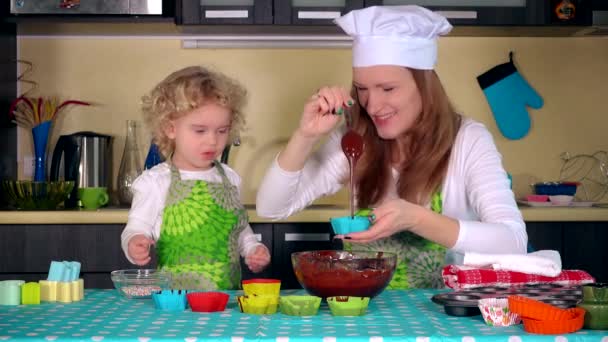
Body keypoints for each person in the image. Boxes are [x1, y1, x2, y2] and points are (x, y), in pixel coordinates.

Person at [256, 6, 527, 289]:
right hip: (364, 311)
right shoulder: (354, 140)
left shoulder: (468, 140)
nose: (372, 105)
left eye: (387, 89)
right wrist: (305, 136)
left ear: (424, 86)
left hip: (446, 314)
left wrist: (416, 219)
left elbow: (513, 241)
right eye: (362, 89)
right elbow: (271, 208)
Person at [121, 66, 271, 290]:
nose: (212, 141)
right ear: (170, 128)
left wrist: (252, 248)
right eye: (200, 131)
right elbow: (135, 228)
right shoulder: (156, 181)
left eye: (221, 131)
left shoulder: (229, 178)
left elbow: (239, 228)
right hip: (176, 301)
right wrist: (134, 243)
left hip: (225, 301)